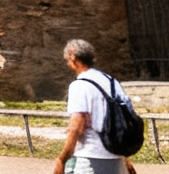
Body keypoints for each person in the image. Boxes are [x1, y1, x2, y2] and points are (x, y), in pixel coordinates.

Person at [56, 38, 141, 174]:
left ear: (73, 56)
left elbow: (76, 127)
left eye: (67, 59)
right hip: (116, 158)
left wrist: (62, 159)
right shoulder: (112, 82)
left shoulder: (79, 85)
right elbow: (122, 122)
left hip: (90, 157)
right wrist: (127, 161)